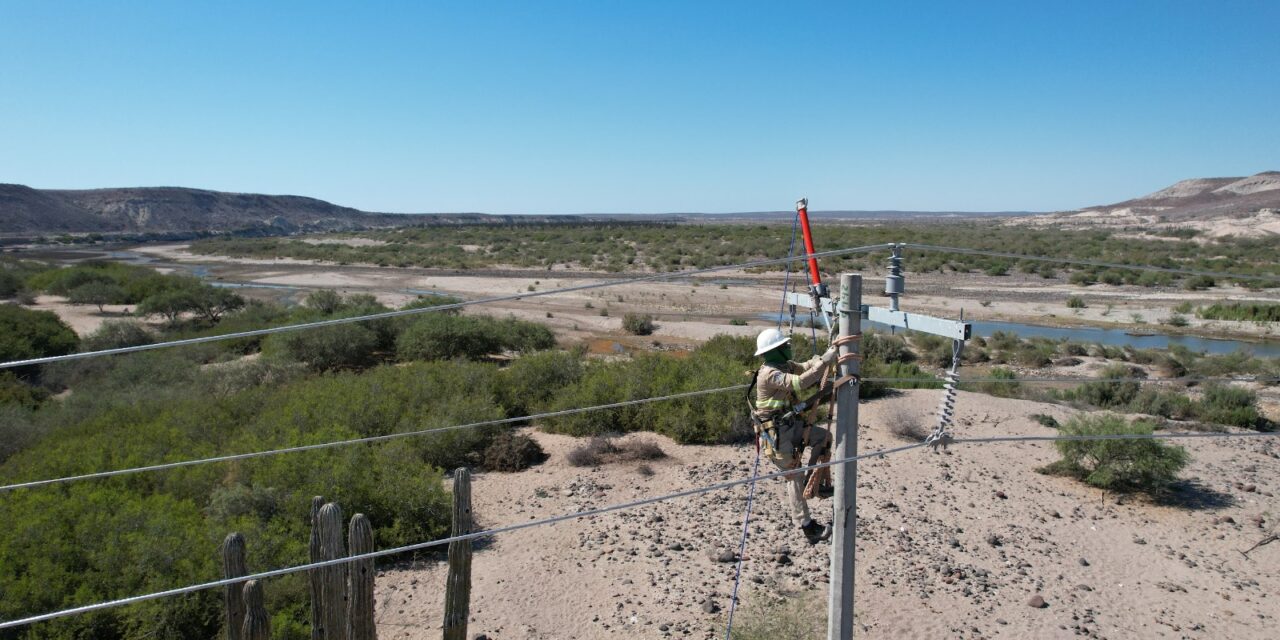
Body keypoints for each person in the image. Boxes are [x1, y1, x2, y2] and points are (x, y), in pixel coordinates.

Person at [749, 328, 838, 544]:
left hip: (790, 427)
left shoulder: (784, 366)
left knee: (823, 438)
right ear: (775, 351)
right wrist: (825, 362)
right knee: (792, 474)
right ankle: (806, 525)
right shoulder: (770, 374)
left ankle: (813, 482)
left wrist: (821, 358)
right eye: (785, 346)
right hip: (776, 435)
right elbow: (800, 382)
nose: (789, 348)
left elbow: (804, 368)